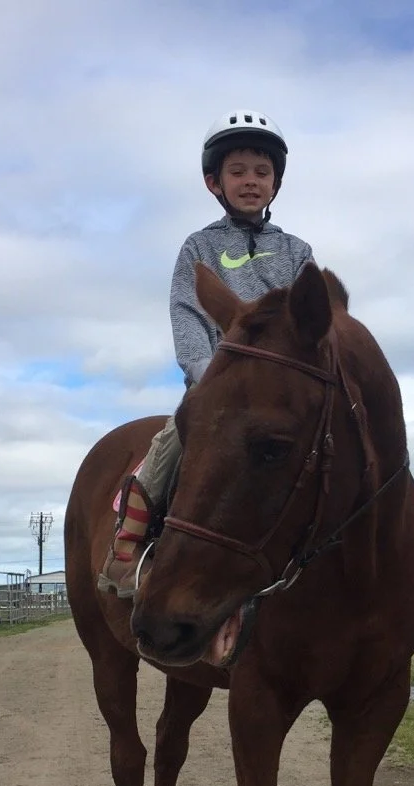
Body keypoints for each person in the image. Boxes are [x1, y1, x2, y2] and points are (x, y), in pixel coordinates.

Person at [97, 110, 315, 598]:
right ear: (214, 182)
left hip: (281, 388)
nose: (251, 182)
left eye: (262, 173)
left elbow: (309, 319)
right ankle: (128, 546)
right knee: (171, 443)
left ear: (276, 183)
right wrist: (206, 374)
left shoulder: (297, 251)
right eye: (238, 172)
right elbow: (186, 313)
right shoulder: (200, 246)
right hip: (219, 384)